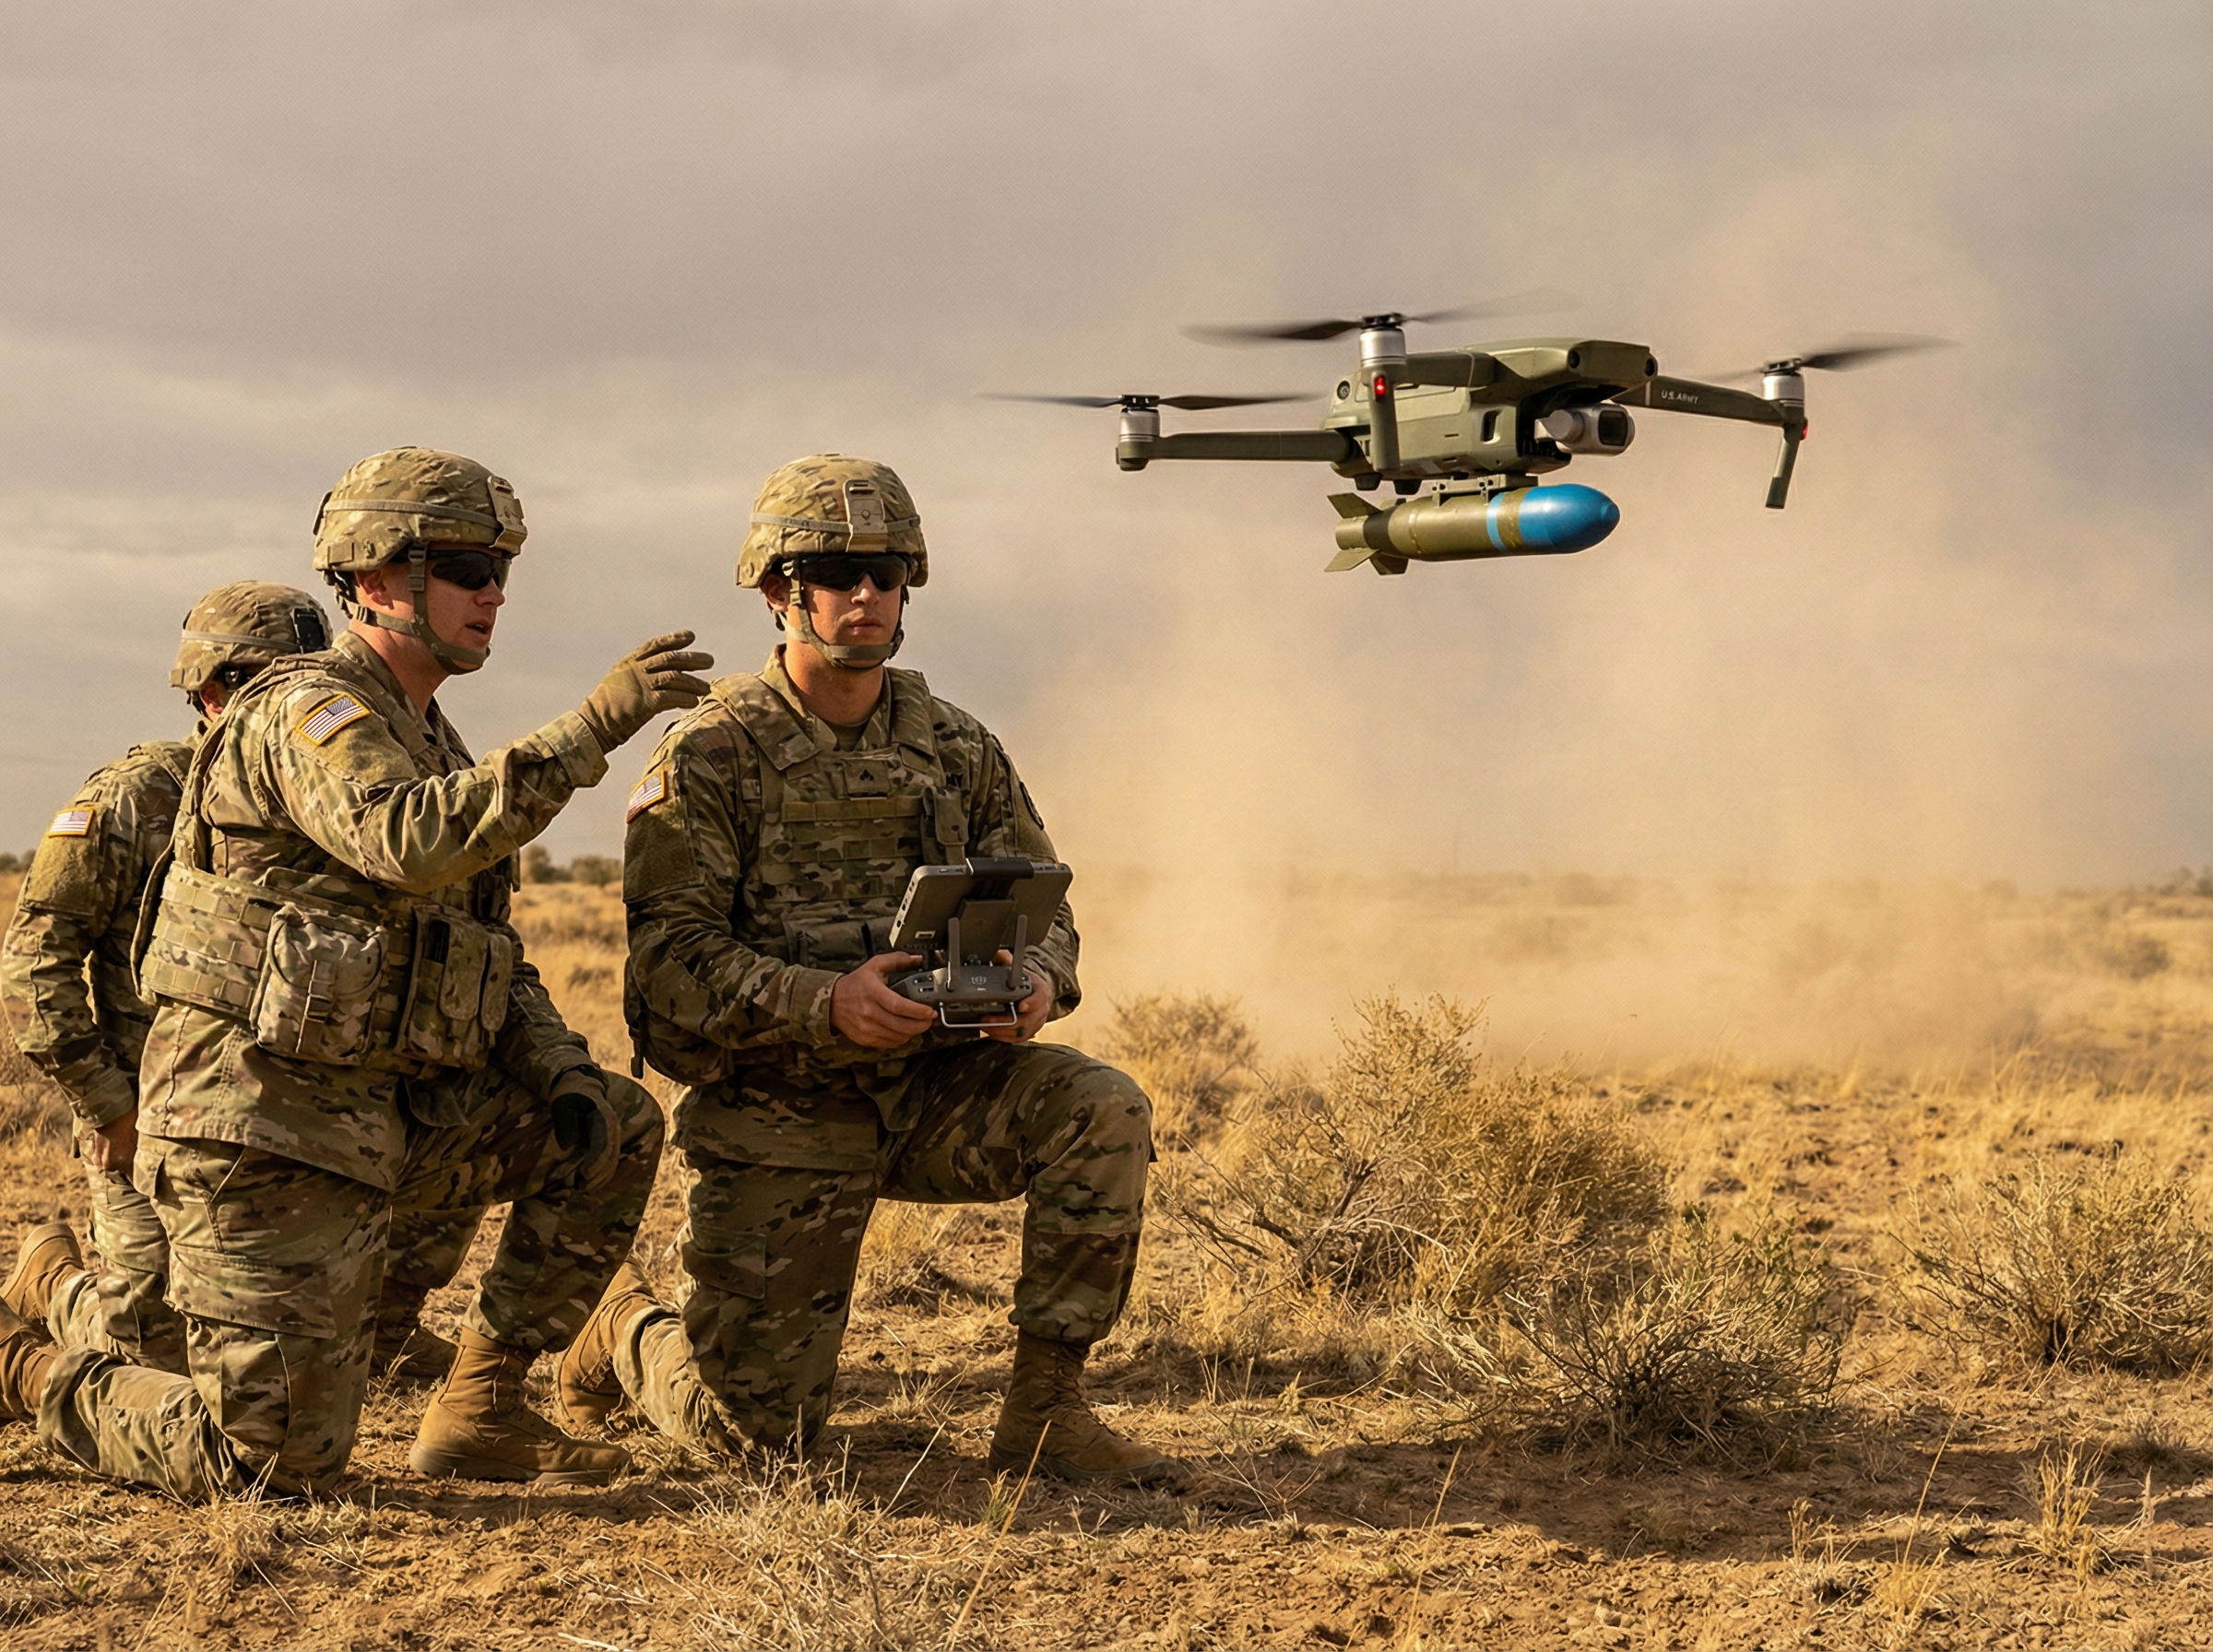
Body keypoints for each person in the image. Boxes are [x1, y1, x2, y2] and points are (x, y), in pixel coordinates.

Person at [0, 446, 711, 1499]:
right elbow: (407, 840)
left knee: (612, 1126)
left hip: (382, 1123)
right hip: (262, 1130)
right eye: (468, 565)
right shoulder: (307, 712)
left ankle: (481, 1409)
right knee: (267, 1465)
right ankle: (26, 1364)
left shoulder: (426, 737)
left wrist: (557, 1068)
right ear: (378, 578)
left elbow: (486, 952)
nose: (494, 593)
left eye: (500, 569)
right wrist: (593, 724)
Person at [559, 454, 1170, 1484]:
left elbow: (1047, 903)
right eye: (835, 572)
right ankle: (619, 1326)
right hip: (780, 1106)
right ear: (776, 592)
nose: (865, 594)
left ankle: (1047, 1410)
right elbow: (669, 972)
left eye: (886, 572)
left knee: (1102, 1107)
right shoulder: (712, 754)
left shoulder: (955, 747)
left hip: (934, 1089)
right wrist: (822, 1004)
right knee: (757, 1446)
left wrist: (1037, 983)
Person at [1, 584, 331, 1376]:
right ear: (214, 691)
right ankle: (56, 1283)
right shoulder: (135, 797)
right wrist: (109, 1108)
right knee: (151, 1355)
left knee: (292, 1352)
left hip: (281, 1122)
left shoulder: (330, 799)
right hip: (150, 1121)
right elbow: (33, 964)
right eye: (271, 687)